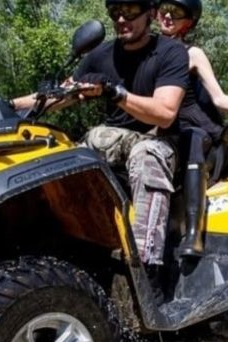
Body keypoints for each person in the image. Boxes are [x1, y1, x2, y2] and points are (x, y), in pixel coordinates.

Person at [12, 0, 189, 286]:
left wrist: (114, 92)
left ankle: (146, 268)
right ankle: (60, 257)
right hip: (115, 139)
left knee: (147, 154)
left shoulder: (171, 52)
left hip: (160, 140)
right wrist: (10, 106)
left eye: (131, 11)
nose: (122, 19)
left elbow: (165, 113)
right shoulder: (100, 55)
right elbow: (63, 94)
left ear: (151, 14)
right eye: (115, 13)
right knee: (66, 157)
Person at [157, 0, 228, 257]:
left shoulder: (193, 54)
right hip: (167, 138)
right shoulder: (147, 55)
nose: (168, 16)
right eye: (164, 10)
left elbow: (219, 99)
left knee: (192, 137)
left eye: (176, 13)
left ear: (187, 22)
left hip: (203, 142)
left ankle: (194, 234)